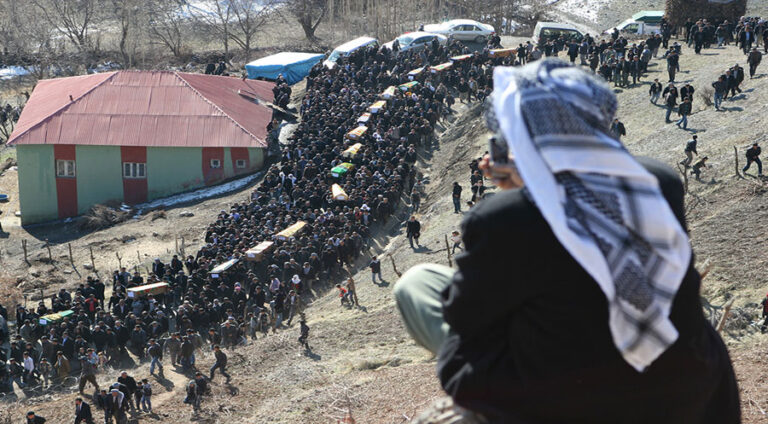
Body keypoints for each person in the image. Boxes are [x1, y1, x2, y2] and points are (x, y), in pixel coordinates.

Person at [393, 60, 739, 423]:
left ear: (519, 140)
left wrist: (519, 191)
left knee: (416, 284)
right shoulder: (660, 183)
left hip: (560, 402)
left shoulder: (501, 218)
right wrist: (534, 181)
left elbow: (464, 315)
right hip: (683, 385)